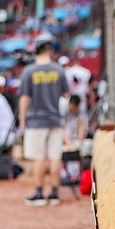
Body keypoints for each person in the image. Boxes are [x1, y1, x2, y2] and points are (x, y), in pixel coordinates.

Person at [19, 35, 69, 206]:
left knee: (39, 158)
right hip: (55, 119)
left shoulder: (29, 71)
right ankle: (55, 193)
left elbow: (24, 98)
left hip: (36, 120)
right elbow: (65, 96)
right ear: (50, 51)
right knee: (55, 156)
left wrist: (22, 120)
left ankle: (40, 194)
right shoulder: (59, 70)